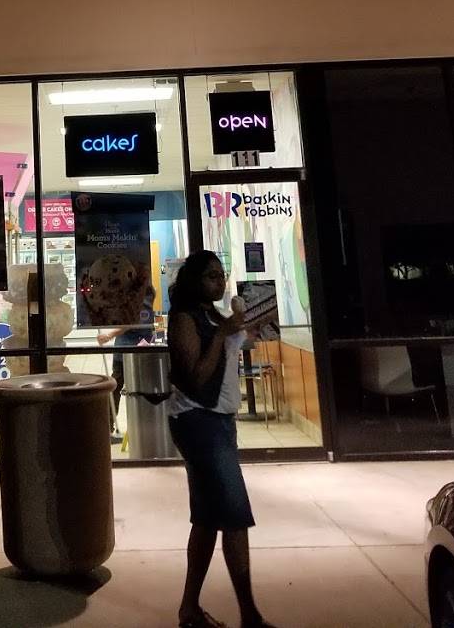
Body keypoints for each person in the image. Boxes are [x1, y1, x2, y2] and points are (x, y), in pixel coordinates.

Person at [166, 250, 277, 628]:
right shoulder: (185, 318)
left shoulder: (214, 315)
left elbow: (229, 354)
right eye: (212, 276)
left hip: (219, 422)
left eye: (222, 275)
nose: (220, 281)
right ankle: (250, 615)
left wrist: (249, 327)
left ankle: (189, 610)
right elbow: (196, 377)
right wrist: (223, 334)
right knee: (234, 515)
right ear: (194, 280)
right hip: (198, 421)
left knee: (208, 519)